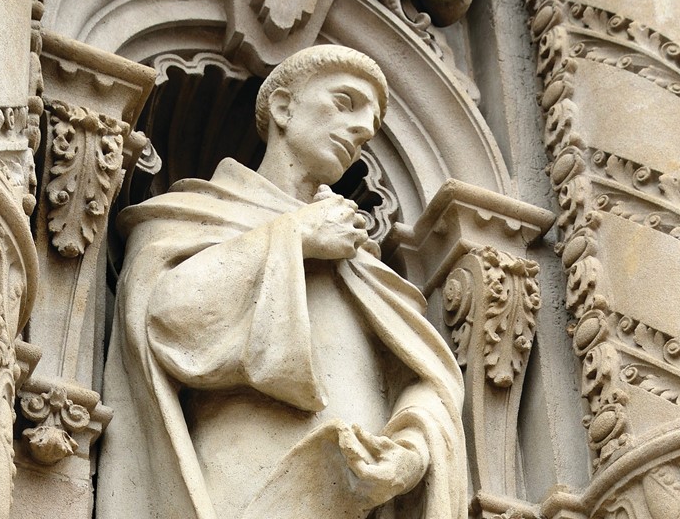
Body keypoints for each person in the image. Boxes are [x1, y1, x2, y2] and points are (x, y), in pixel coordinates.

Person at [96, 45, 467, 519]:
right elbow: (168, 321)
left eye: (370, 126)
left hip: (355, 501)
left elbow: (429, 377)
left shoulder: (365, 267)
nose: (359, 130)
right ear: (284, 107)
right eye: (345, 102)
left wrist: (411, 450)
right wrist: (295, 236)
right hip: (239, 486)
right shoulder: (195, 218)